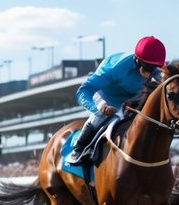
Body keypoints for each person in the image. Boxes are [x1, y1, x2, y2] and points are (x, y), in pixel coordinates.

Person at [66, 36, 167, 164]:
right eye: (147, 68)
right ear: (137, 60)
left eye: (153, 69)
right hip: (106, 95)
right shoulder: (116, 69)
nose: (149, 74)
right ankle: (79, 148)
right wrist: (100, 107)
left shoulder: (157, 69)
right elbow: (83, 91)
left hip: (133, 97)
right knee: (100, 117)